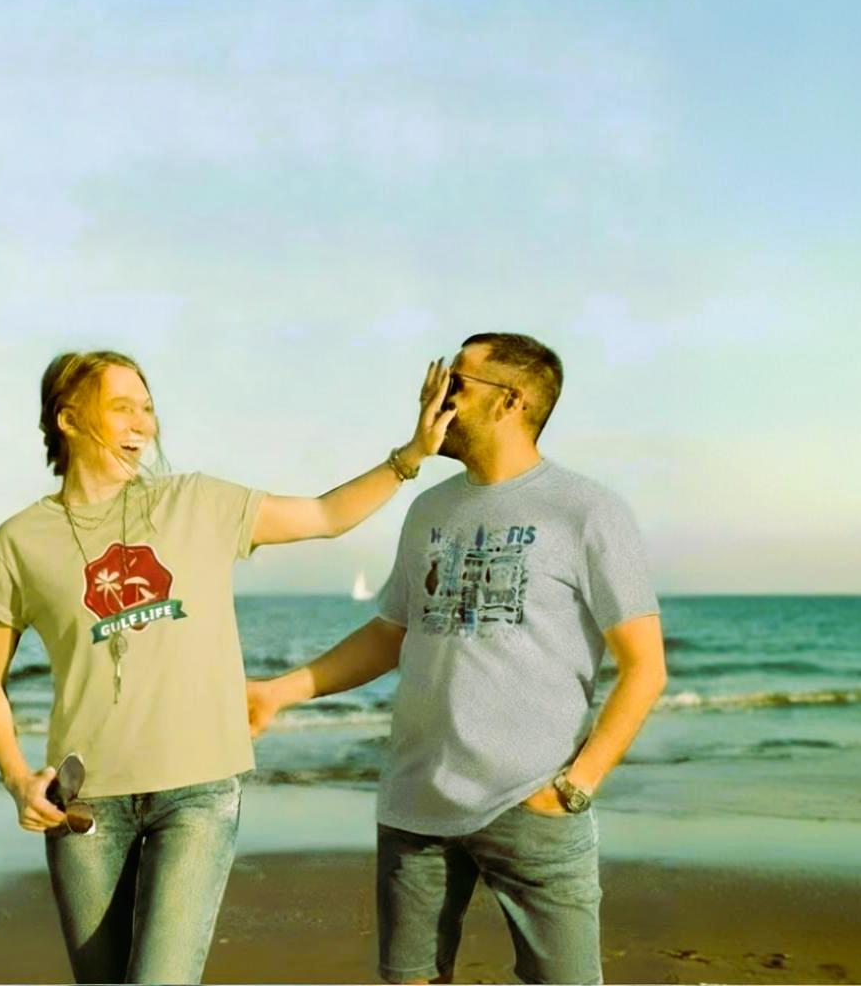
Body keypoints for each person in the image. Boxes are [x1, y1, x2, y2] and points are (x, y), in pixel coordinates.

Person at [0, 349, 453, 985]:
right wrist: (16, 779)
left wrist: (409, 456)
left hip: (197, 790)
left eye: (147, 407)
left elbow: (325, 516)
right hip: (84, 802)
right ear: (67, 418)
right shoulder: (20, 539)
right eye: (121, 408)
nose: (142, 423)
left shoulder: (194, 501)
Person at [248, 333, 667, 985]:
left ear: (512, 401)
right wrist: (279, 692)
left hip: (532, 799)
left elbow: (645, 666)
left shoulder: (588, 510)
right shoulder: (428, 509)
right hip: (416, 804)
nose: (434, 397)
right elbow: (390, 635)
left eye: (456, 382)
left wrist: (577, 786)